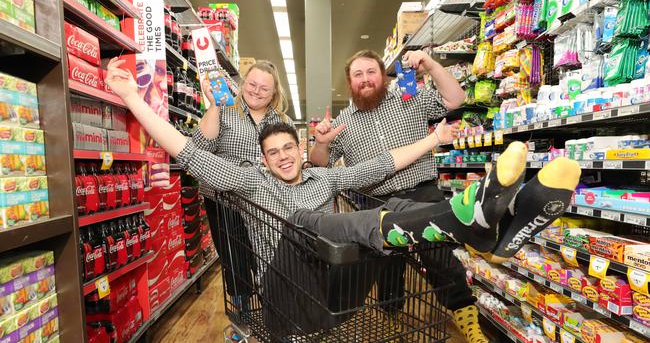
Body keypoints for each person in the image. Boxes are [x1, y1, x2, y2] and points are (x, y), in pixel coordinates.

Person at [104, 57, 580, 339]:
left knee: (385, 208)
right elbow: (184, 149)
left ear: (300, 147)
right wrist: (132, 98)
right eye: (274, 152)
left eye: (290, 146)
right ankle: (473, 219)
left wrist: (433, 142)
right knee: (316, 223)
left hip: (336, 296)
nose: (285, 157)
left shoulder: (320, 177)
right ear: (263, 161)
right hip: (285, 298)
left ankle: (490, 222)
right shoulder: (250, 183)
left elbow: (383, 164)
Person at [308, 49, 485, 342]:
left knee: (439, 253)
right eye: (358, 74)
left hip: (421, 192)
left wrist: (429, 64)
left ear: (383, 75)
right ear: (349, 82)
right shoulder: (342, 121)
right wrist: (321, 142)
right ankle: (390, 317)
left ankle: (466, 316)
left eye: (371, 72)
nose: (365, 79)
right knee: (387, 264)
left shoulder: (410, 97)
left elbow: (456, 99)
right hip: (376, 202)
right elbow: (320, 164)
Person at [195, 60, 293, 306]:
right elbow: (199, 148)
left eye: (264, 88)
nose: (256, 91)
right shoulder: (225, 110)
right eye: (252, 84)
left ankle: (274, 308)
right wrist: (214, 107)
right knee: (235, 262)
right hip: (224, 201)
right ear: (242, 83)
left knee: (270, 258)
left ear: (274, 93)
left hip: (265, 202)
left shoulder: (283, 122)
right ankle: (243, 314)